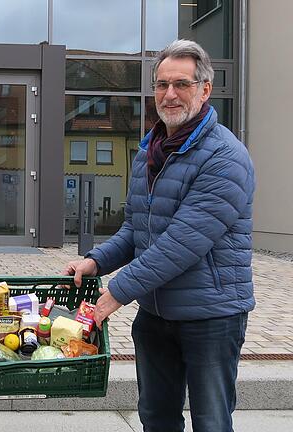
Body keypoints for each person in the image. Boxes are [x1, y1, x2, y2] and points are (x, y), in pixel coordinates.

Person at [62, 39, 254, 432]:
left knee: (212, 421)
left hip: (211, 316)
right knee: (156, 417)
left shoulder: (225, 157)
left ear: (204, 89)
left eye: (181, 84)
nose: (169, 94)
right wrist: (96, 260)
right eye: (161, 84)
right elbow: (137, 229)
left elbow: (182, 243)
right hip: (156, 313)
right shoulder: (149, 150)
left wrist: (116, 291)